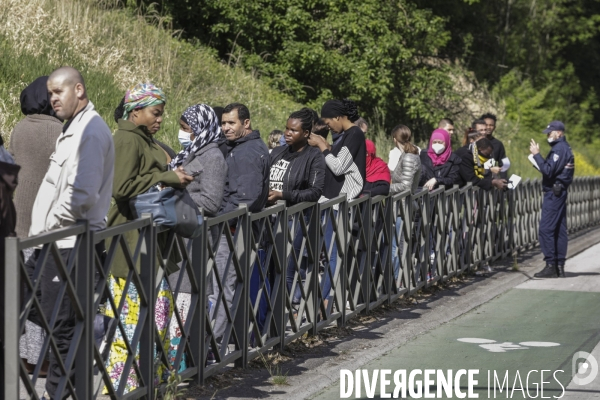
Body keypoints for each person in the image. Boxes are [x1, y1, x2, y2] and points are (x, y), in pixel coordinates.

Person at [24, 66, 114, 399]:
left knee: (60, 325)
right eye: (49, 93)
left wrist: (47, 229)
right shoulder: (74, 127)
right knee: (33, 304)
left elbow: (82, 195)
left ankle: (59, 393)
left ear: (78, 89)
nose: (51, 99)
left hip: (66, 243)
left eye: (57, 92)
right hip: (53, 242)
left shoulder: (89, 131)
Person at [105, 83, 192, 393]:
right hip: (132, 246)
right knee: (132, 323)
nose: (159, 119)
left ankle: (148, 384)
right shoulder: (127, 139)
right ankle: (126, 387)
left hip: (149, 244)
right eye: (155, 113)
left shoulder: (144, 139)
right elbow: (122, 188)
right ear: (136, 111)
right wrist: (168, 176)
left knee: (155, 320)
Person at [8, 76, 62, 376]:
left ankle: (18, 354)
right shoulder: (59, 131)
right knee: (43, 295)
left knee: (20, 291)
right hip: (47, 223)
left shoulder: (20, 128)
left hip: (19, 218)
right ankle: (38, 359)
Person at [167, 104, 227, 368]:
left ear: (200, 128)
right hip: (180, 236)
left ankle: (184, 364)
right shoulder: (192, 150)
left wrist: (177, 195)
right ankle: (186, 360)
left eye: (186, 129)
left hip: (194, 238)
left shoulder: (213, 156)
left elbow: (212, 201)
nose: (183, 134)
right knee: (180, 297)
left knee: (186, 297)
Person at [209, 102, 269, 343]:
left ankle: (216, 341)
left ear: (246, 123)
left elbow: (245, 198)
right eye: (223, 123)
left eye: (231, 123)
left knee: (223, 285)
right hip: (230, 226)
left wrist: (216, 214)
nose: (225, 128)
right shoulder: (237, 147)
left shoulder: (248, 153)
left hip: (233, 229)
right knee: (222, 284)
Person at [308, 98, 366, 312]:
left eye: (329, 121)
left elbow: (339, 166)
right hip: (331, 201)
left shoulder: (355, 134)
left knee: (333, 253)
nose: (328, 125)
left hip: (340, 202)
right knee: (326, 252)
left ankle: (326, 300)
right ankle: (321, 299)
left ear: (339, 117)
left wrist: (322, 145)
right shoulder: (345, 136)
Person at [269, 108, 325, 311]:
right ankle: (273, 309)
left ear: (306, 133)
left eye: (293, 130)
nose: (287, 133)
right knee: (270, 265)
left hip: (296, 219)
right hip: (269, 218)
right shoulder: (276, 153)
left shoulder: (313, 157)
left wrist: (283, 195)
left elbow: (315, 191)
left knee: (290, 266)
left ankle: (292, 309)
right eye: (286, 128)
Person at [530, 120, 575, 278]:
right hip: (559, 191)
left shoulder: (559, 149)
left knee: (546, 229)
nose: (548, 135)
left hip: (554, 193)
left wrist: (536, 155)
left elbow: (548, 170)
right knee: (559, 230)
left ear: (559, 133)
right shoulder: (562, 148)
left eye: (550, 132)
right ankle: (559, 266)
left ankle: (551, 265)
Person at [388, 125, 422, 282]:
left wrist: (386, 188)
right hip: (400, 205)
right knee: (398, 245)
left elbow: (406, 186)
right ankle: (397, 281)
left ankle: (396, 282)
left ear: (395, 139)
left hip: (402, 206)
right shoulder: (409, 154)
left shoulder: (409, 157)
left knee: (398, 246)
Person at [481, 112, 510, 177]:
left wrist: (504, 181)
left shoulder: (498, 144)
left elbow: (503, 164)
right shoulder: (475, 143)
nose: (488, 127)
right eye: (486, 125)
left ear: (494, 127)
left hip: (492, 181)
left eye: (491, 125)